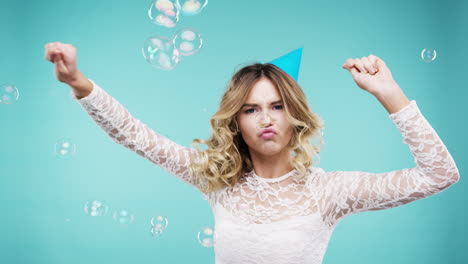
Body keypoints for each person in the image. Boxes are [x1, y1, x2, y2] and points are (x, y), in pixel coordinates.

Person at [45, 42, 460, 264]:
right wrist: (78, 83)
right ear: (236, 122)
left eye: (278, 105)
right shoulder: (217, 181)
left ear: (294, 114)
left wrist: (391, 96)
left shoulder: (331, 191)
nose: (267, 118)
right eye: (251, 109)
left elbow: (440, 174)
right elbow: (135, 135)